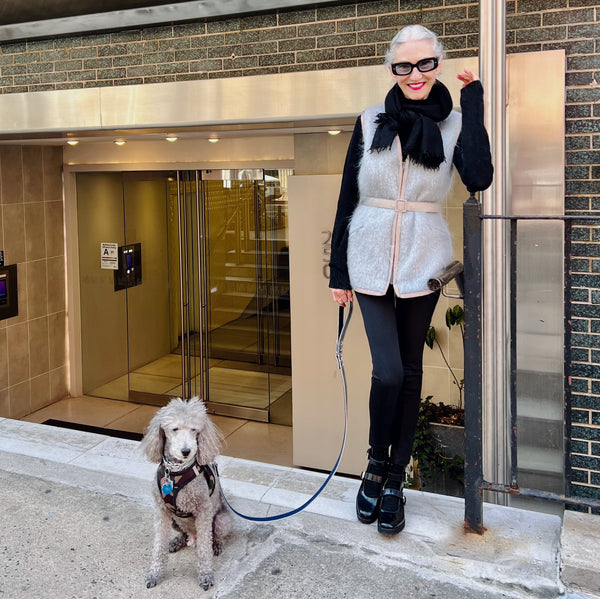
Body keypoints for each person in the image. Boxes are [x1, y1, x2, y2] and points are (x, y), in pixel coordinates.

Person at [328, 24, 493, 536]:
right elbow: (347, 196)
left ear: (437, 65)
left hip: (423, 260)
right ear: (392, 69)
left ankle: (394, 479)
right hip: (369, 258)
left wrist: (475, 104)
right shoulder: (369, 120)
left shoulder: (455, 122)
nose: (415, 74)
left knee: (412, 372)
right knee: (391, 373)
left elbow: (480, 177)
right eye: (403, 66)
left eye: (425, 64)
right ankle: (374, 464)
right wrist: (338, 270)